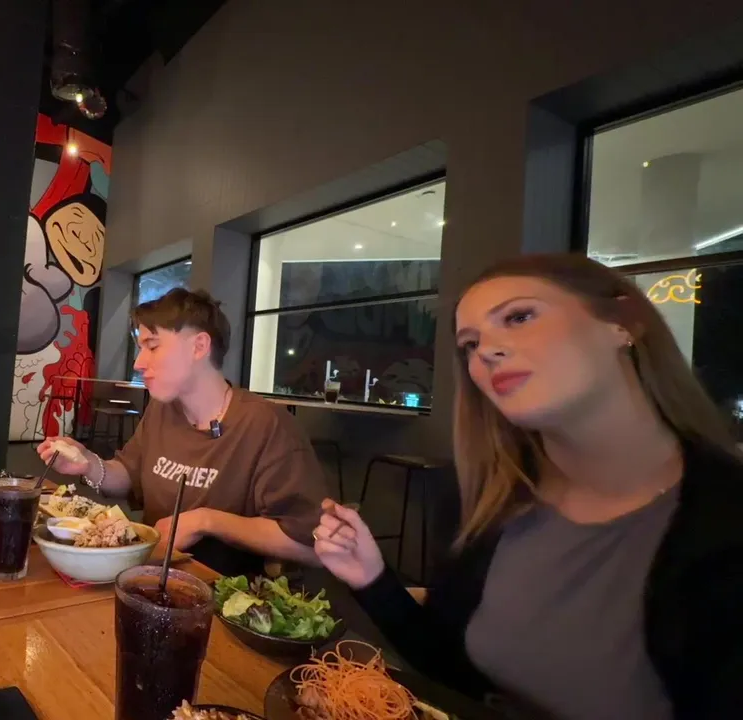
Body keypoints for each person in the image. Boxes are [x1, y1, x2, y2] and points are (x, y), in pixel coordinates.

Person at [313, 254, 743, 720]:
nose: (486, 352)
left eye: (519, 317)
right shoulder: (490, 504)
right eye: (470, 344)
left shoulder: (723, 523)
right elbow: (455, 674)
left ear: (624, 322)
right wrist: (373, 579)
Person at [39, 288, 326, 576]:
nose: (138, 363)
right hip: (148, 578)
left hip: (219, 592)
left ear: (199, 347)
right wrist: (88, 463)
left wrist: (207, 521)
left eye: (152, 347)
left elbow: (311, 548)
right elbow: (128, 475)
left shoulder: (265, 424)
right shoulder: (162, 410)